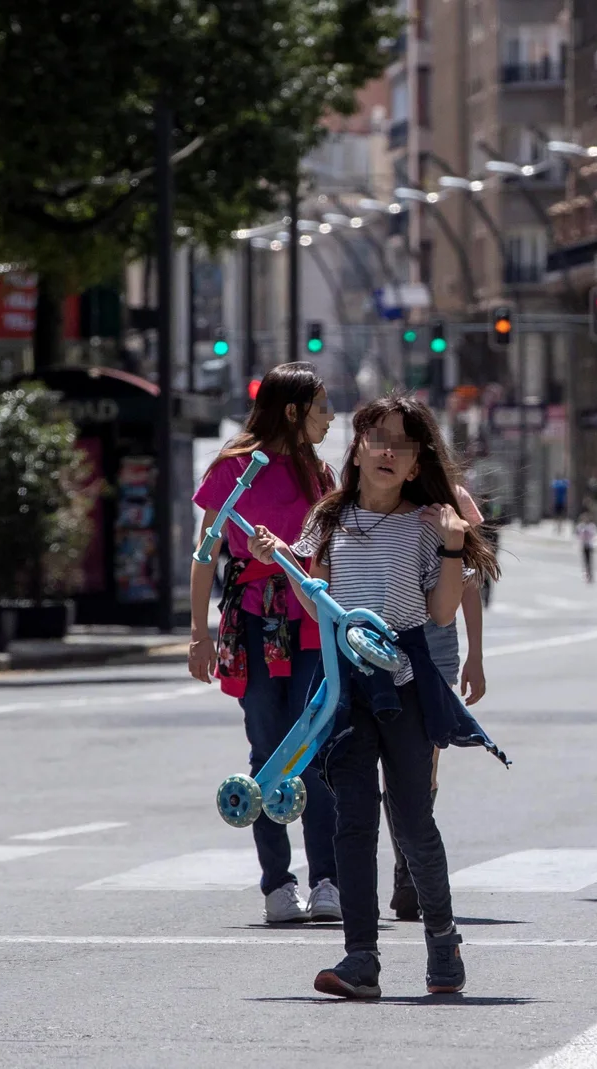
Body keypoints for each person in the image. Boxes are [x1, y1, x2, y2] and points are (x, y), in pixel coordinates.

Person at [252, 396, 504, 999]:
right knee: (353, 821)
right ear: (358, 450)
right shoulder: (329, 519)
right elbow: (319, 604)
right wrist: (282, 561)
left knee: (414, 822)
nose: (389, 450)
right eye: (378, 438)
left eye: (403, 443)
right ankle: (360, 957)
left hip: (406, 681)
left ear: (417, 464)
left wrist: (449, 547)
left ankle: (443, 942)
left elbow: (441, 611)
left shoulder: (427, 524)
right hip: (343, 684)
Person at [187, 361, 341, 925]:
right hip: (252, 624)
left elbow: (332, 554)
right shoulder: (234, 468)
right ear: (294, 410)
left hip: (310, 623)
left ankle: (328, 880)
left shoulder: (320, 475)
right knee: (268, 751)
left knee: (316, 749)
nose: (329, 418)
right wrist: (197, 633)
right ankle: (278, 885)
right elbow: (206, 556)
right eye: (321, 407)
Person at [389, 479, 487, 922]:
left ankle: (407, 871)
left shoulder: (453, 497)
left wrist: (476, 656)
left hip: (436, 646)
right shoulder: (365, 497)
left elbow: (469, 583)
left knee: (423, 760)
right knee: (382, 756)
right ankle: (405, 863)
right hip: (379, 639)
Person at [576, 510, 597, 582]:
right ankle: (586, 574)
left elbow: (593, 534)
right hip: (584, 545)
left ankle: (590, 573)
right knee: (585, 560)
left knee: (590, 560)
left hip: (590, 545)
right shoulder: (581, 526)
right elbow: (578, 535)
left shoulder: (591, 526)